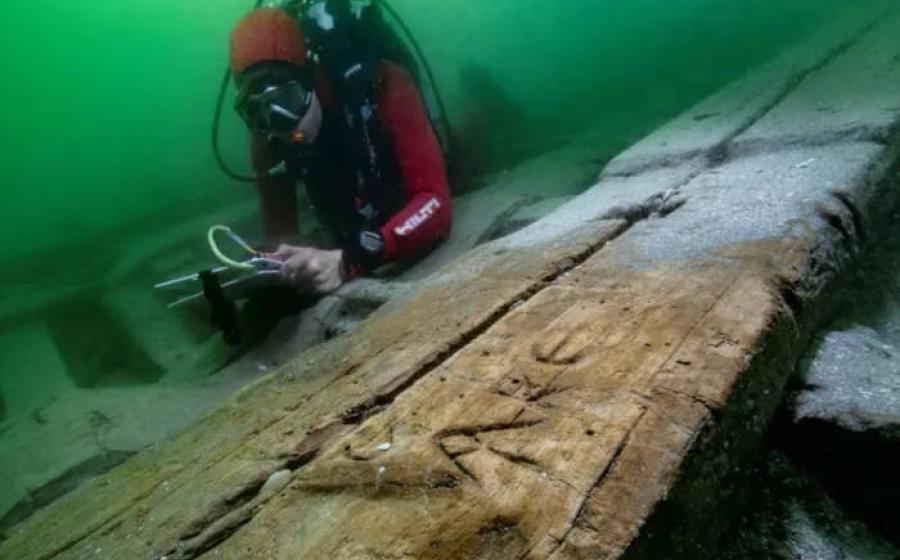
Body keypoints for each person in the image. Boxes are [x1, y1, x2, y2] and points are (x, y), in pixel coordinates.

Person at [228, 2, 452, 296]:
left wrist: (353, 259)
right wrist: (275, 263)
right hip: (352, 213)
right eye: (256, 109)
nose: (279, 122)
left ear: (310, 75)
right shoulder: (267, 137)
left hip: (399, 188)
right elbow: (281, 235)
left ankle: (481, 104)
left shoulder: (384, 82)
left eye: (288, 98)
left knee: (457, 164)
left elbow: (435, 202)